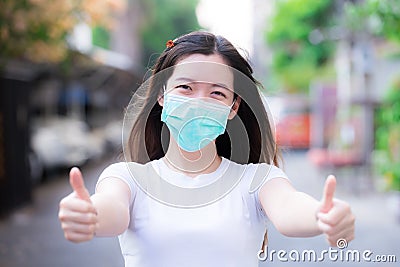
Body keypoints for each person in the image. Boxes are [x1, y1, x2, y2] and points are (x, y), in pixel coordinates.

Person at [58, 31, 355, 267]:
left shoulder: (257, 180)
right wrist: (89, 215)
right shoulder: (127, 179)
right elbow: (111, 210)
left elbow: (290, 209)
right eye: (185, 88)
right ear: (162, 95)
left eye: (217, 93)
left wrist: (322, 215)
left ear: (232, 107)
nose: (199, 102)